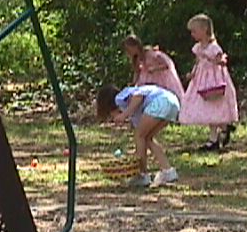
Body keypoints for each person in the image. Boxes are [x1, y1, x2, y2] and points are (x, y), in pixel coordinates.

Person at [96, 84, 179, 187]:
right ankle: (168, 171)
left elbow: (139, 96)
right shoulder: (135, 113)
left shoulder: (120, 97)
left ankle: (142, 174)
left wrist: (124, 114)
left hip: (160, 102)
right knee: (147, 138)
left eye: (110, 115)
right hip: (172, 102)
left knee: (139, 136)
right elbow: (140, 135)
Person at [178, 13, 239, 151]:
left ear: (204, 29)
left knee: (214, 105)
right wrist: (193, 73)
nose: (192, 34)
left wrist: (218, 60)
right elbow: (198, 62)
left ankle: (215, 138)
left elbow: (220, 61)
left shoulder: (213, 47)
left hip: (214, 79)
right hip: (201, 79)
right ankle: (220, 132)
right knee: (207, 107)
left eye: (194, 31)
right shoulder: (198, 47)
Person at [122, 34, 185, 102]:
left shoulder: (150, 53)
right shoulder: (136, 59)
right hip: (148, 82)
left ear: (135, 46)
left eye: (129, 49)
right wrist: (133, 83)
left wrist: (154, 68)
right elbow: (137, 73)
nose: (128, 52)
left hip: (161, 80)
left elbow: (166, 65)